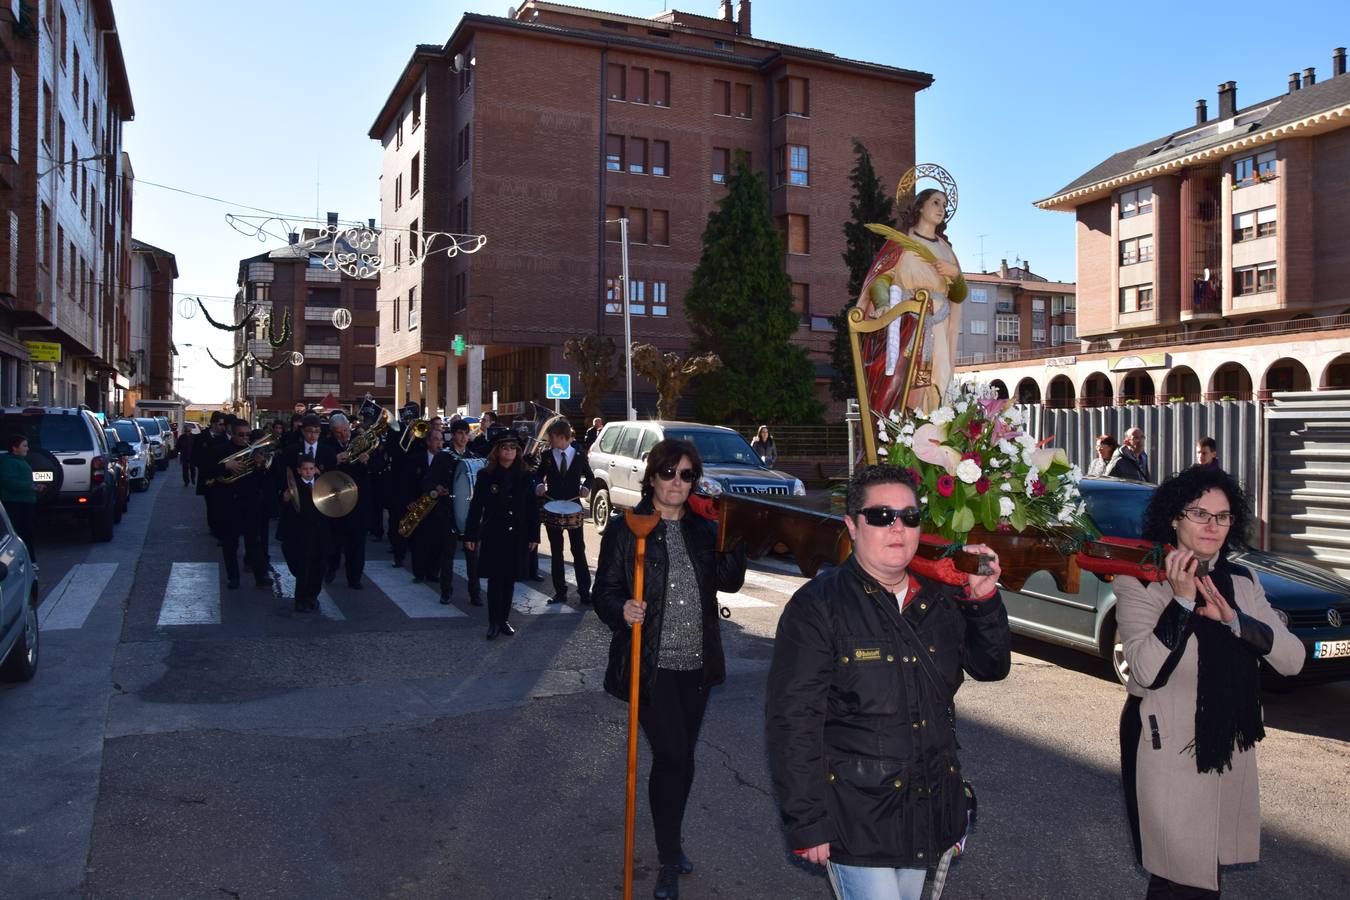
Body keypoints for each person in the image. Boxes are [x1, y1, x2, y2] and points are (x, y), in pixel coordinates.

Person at [765, 465, 1010, 900]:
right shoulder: (818, 608)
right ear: (853, 526)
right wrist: (807, 821)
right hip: (855, 817)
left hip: (927, 806)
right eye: (881, 516)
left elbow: (991, 666)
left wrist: (983, 598)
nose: (897, 527)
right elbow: (793, 721)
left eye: (909, 516)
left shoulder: (939, 599)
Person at [1116, 466, 1303, 898]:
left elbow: (1291, 660)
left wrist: (1237, 621)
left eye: (1222, 516)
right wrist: (1181, 600)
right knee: (1179, 876)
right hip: (1164, 743)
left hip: (1225, 745)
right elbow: (1145, 672)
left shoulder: (1242, 582)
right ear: (1174, 519)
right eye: (1199, 513)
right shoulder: (1140, 581)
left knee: (1200, 875)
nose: (1212, 526)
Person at [593, 439, 748, 900]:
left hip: (696, 665)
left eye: (686, 475)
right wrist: (621, 609)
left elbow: (728, 580)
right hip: (650, 664)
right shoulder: (628, 529)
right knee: (673, 755)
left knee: (683, 757)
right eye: (669, 473)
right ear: (653, 477)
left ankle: (672, 841)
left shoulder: (703, 529)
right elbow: (603, 592)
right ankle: (666, 858)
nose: (677, 483)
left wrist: (734, 535)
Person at [854, 187, 968, 416]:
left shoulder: (946, 250)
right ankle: (895, 436)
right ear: (920, 206)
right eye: (936, 202)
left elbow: (958, 295)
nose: (941, 209)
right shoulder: (901, 242)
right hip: (906, 324)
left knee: (939, 381)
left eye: (945, 205)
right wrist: (883, 303)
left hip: (939, 326)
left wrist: (954, 275)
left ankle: (936, 439)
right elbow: (880, 278)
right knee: (898, 381)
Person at [463, 431, 540, 640]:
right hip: (493, 533)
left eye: (513, 448)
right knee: (496, 580)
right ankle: (493, 622)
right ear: (497, 452)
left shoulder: (525, 476)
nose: (509, 451)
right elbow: (476, 506)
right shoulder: (486, 475)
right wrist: (471, 534)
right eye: (505, 448)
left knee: (510, 579)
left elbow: (532, 508)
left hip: (517, 534)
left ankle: (504, 619)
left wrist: (534, 535)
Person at [534, 418, 593, 605]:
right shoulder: (547, 456)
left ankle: (585, 592)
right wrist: (539, 485)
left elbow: (590, 475)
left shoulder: (578, 454)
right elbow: (537, 475)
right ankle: (560, 592)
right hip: (552, 506)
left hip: (573, 506)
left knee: (578, 550)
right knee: (556, 551)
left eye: (551, 437)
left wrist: (586, 487)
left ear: (561, 437)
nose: (549, 441)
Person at [213, 420, 271, 589]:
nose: (245, 438)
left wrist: (260, 465)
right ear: (232, 433)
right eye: (241, 435)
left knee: (254, 542)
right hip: (228, 503)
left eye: (248, 435)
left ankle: (261, 576)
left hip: (250, 501)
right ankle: (233, 577)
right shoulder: (221, 450)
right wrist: (226, 465)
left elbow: (262, 479)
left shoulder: (255, 452)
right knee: (230, 543)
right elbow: (207, 470)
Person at [320, 413, 370, 589]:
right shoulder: (327, 445)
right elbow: (321, 467)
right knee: (334, 539)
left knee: (357, 542)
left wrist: (366, 462)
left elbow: (378, 466)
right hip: (336, 498)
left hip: (358, 498)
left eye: (345, 430)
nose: (344, 435)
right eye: (339, 432)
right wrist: (335, 460)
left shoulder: (360, 440)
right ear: (333, 432)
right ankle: (331, 568)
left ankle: (354, 578)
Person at [403, 427, 455, 591]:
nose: (439, 443)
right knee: (419, 540)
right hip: (420, 503)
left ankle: (433, 572)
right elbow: (407, 482)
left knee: (438, 541)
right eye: (435, 439)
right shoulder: (416, 459)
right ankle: (419, 572)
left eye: (441, 439)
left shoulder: (448, 459)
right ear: (427, 442)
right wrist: (409, 500)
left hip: (440, 506)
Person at [278, 453, 331, 613]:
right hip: (301, 534)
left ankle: (312, 596)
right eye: (305, 469)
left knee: (320, 567)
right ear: (299, 471)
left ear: (315, 469)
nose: (308, 472)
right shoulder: (293, 487)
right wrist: (285, 499)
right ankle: (300, 599)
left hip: (320, 533)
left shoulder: (323, 485)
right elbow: (286, 511)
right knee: (303, 568)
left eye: (311, 468)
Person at [444, 419, 483, 606]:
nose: (463, 437)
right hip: (449, 513)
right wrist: (438, 487)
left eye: (466, 434)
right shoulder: (443, 457)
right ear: (453, 435)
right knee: (447, 555)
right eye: (460, 433)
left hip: (469, 515)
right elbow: (429, 481)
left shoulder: (473, 457)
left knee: (473, 556)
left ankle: (475, 594)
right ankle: (446, 591)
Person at [1, 433, 38, 563]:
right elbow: (9, 483)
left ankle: (28, 561)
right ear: (14, 448)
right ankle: (16, 562)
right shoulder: (8, 462)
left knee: (26, 533)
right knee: (19, 534)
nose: (27, 448)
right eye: (24, 446)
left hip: (24, 502)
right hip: (15, 503)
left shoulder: (18, 460)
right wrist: (30, 487)